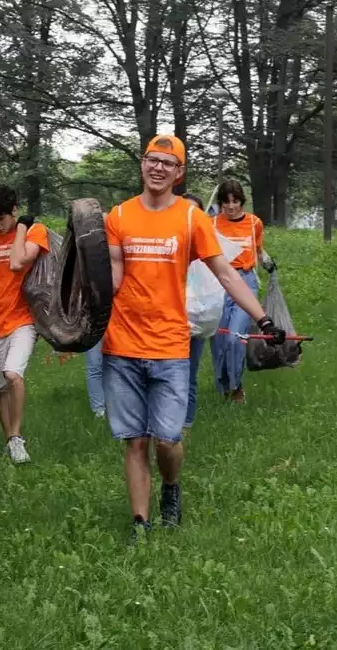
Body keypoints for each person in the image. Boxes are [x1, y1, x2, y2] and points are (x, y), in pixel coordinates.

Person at [102, 133, 287, 544]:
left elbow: (225, 273)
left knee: (167, 439)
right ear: (142, 164)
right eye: (152, 160)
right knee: (135, 440)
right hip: (123, 344)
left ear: (179, 173)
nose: (158, 168)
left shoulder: (190, 220)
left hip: (170, 345)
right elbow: (112, 278)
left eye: (168, 164)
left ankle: (170, 487)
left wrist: (263, 319)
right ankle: (140, 523)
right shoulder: (117, 216)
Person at [0, 183, 51, 464]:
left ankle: (17, 438)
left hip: (23, 320)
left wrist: (19, 229)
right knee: (0, 388)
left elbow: (18, 262)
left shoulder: (34, 232)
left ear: (14, 211)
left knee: (12, 375)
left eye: (2, 217)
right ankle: (10, 440)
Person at [207, 179, 273, 404]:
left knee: (236, 338)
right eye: (226, 203)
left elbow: (259, 249)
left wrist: (268, 262)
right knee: (219, 338)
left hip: (245, 280)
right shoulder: (212, 224)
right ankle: (222, 384)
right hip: (219, 282)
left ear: (242, 201)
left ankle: (236, 386)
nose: (231, 207)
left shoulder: (254, 223)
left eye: (235, 202)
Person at [182, 193, 208, 433]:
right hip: (168, 322)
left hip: (197, 322)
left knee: (189, 372)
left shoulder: (207, 248)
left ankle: (186, 425)